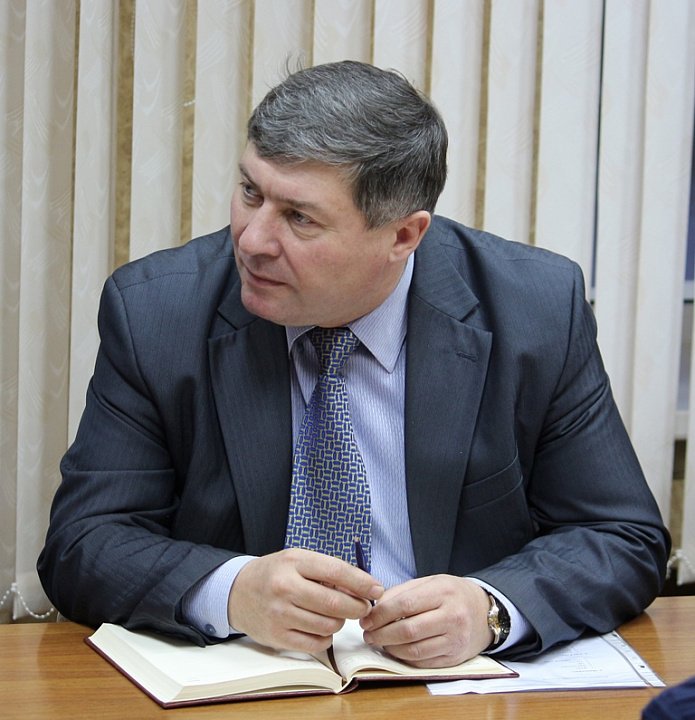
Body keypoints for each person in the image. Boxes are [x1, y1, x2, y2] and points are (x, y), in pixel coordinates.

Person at [38, 61, 669, 668]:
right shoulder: (157, 314)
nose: (252, 240)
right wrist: (230, 591)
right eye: (251, 192)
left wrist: (492, 609)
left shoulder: (532, 310)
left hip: (452, 690)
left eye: (299, 217)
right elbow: (83, 543)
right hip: (242, 681)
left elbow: (620, 536)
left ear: (403, 236)